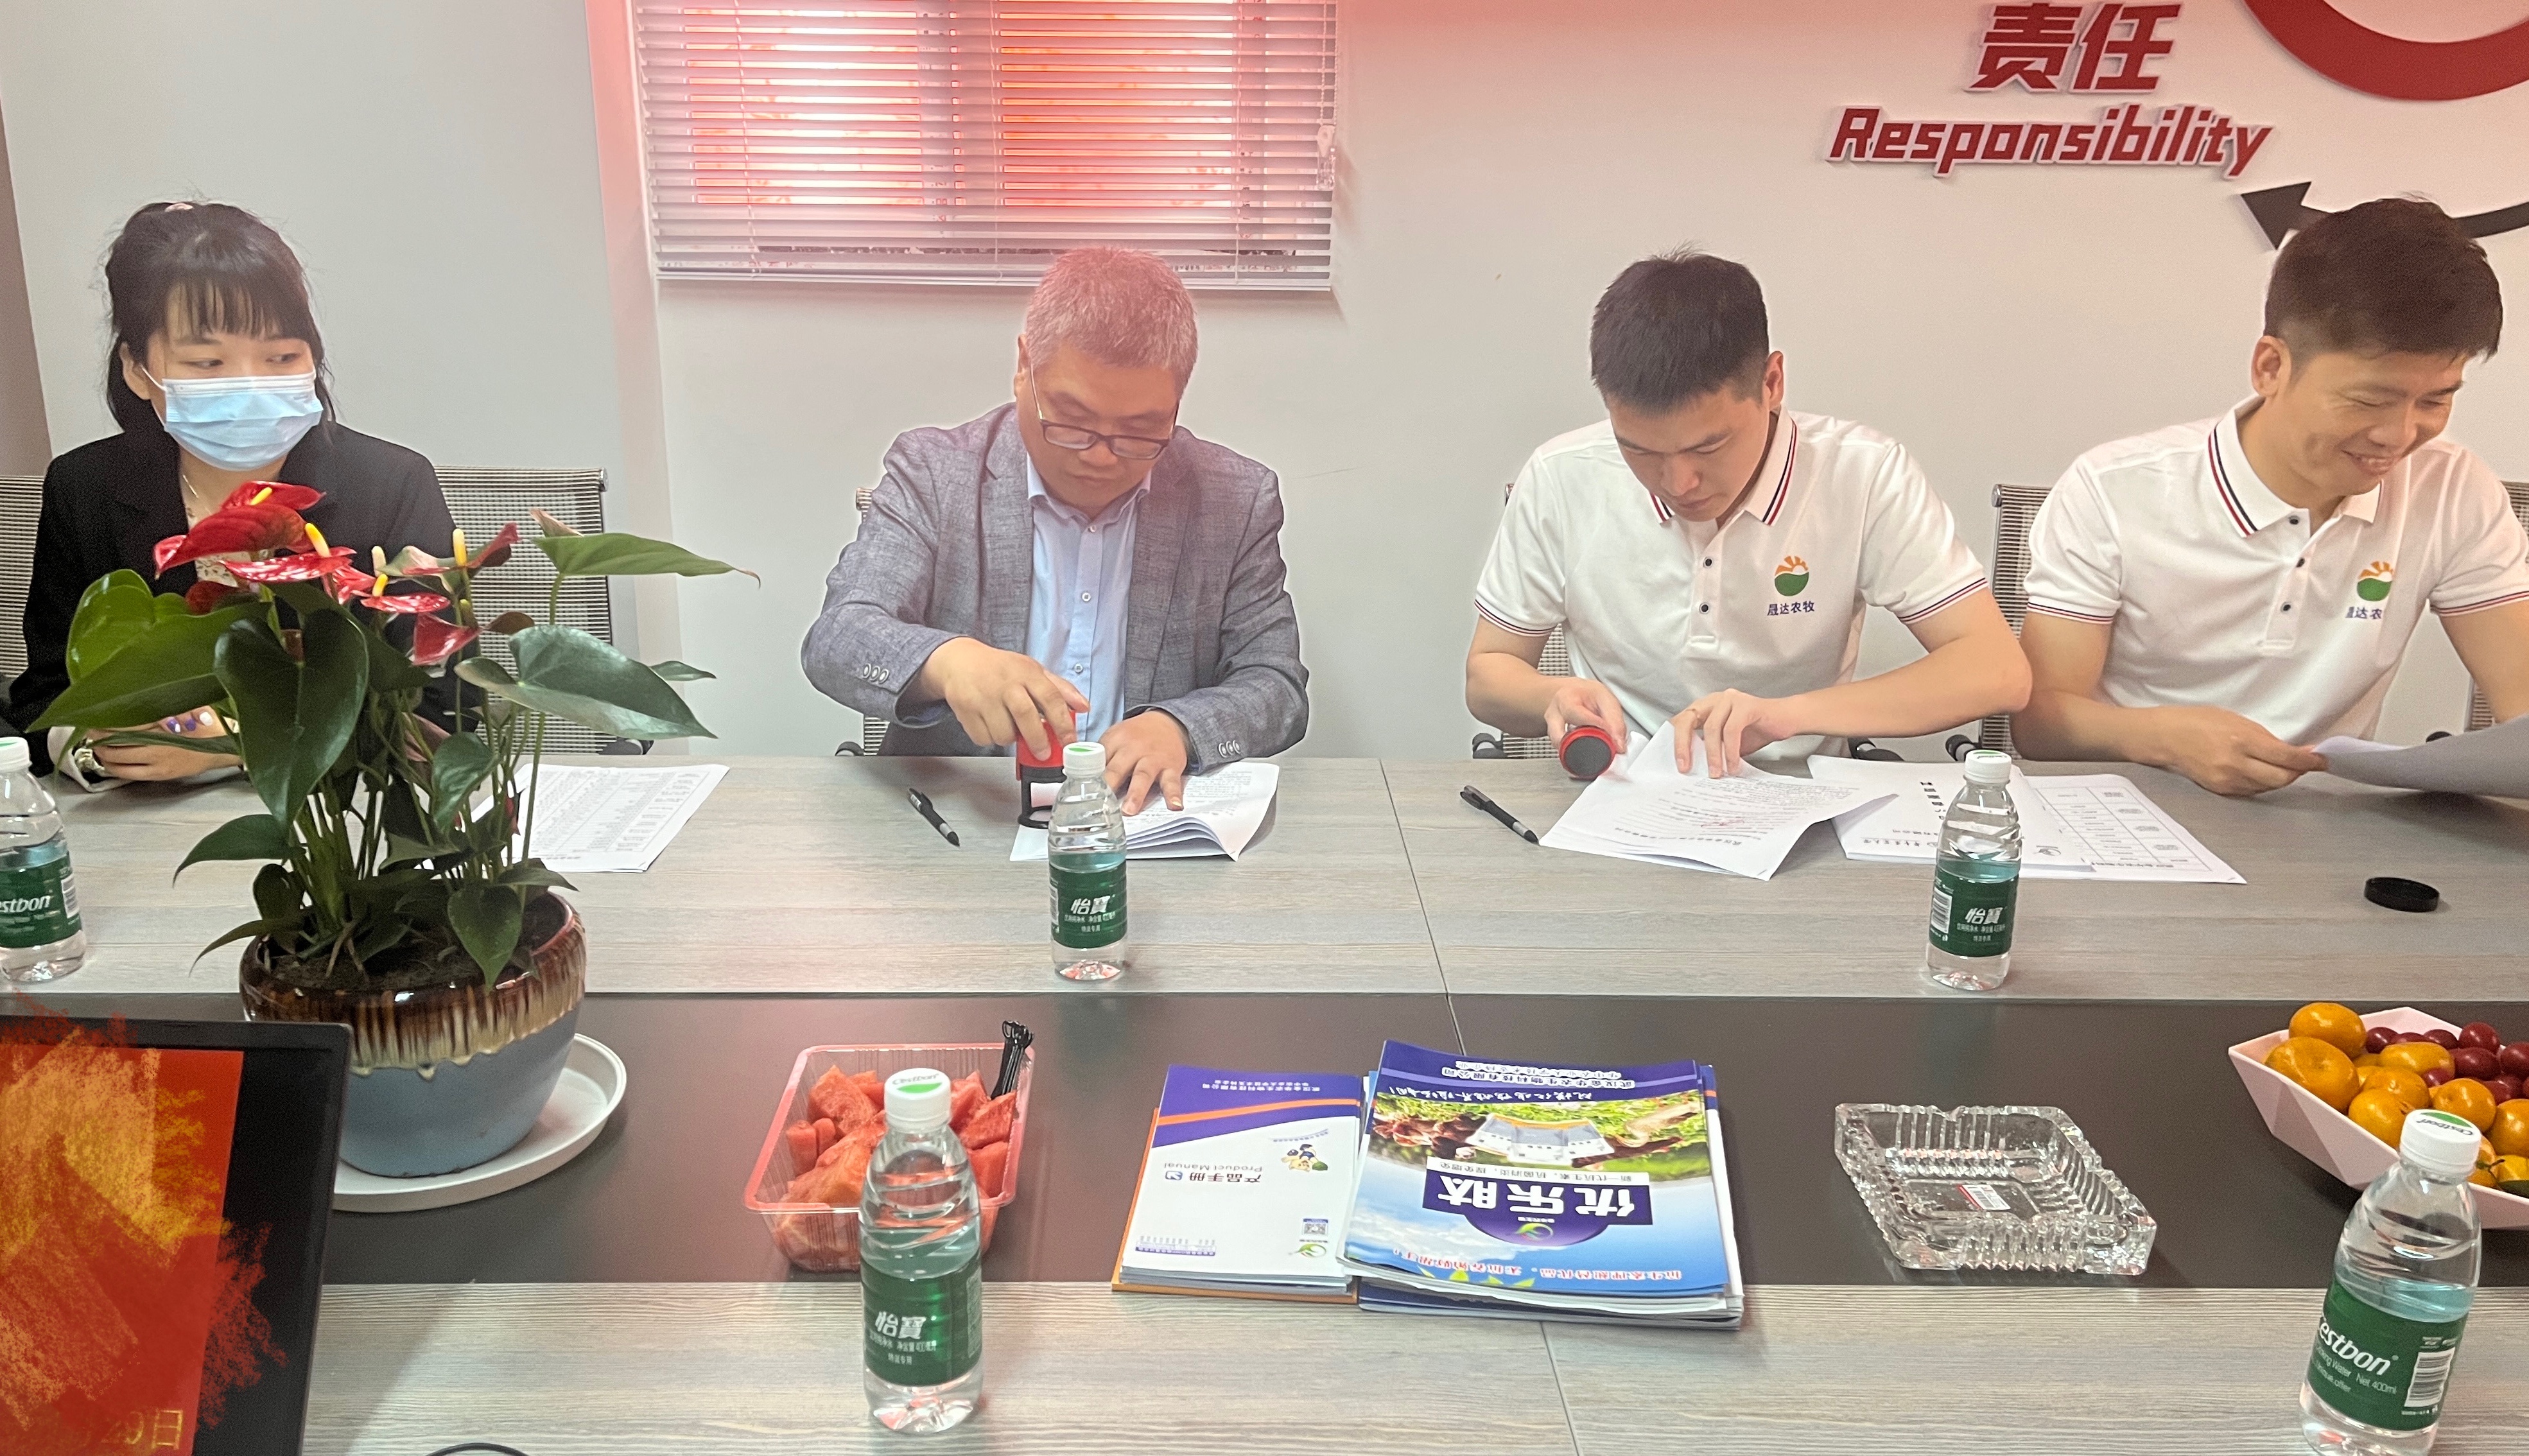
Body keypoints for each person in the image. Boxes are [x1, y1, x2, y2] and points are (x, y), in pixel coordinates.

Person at [2014, 198, 2529, 796]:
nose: (2399, 435)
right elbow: (2041, 721)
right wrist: (2164, 738)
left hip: (2331, 819)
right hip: (2131, 803)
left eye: (2435, 401)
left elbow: (2521, 703)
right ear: (2270, 367)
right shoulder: (2114, 488)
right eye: (2368, 401)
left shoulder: (2452, 488)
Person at [1466, 249, 2029, 774]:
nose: (1678, 483)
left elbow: (1996, 670)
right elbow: (1488, 675)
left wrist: (1787, 716)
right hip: (1621, 788)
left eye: (1708, 447)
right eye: (1639, 451)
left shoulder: (1863, 473)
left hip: (1801, 789)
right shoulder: (1562, 475)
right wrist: (1550, 695)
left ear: (1772, 383)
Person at [801, 247, 1307, 812]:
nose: (1100, 457)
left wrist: (1182, 728)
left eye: (1138, 432)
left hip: (1138, 819)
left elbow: (1275, 683)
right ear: (1024, 367)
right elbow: (838, 637)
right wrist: (946, 663)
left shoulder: (1235, 498)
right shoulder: (934, 474)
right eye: (1071, 421)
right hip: (968, 816)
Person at [10, 201, 456, 786]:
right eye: (207, 362)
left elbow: (444, 707)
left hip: (339, 816)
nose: (250, 383)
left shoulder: (392, 483)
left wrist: (240, 742)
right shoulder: (85, 488)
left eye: (281, 357)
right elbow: (45, 698)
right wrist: (99, 751)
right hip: (141, 820)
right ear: (138, 368)